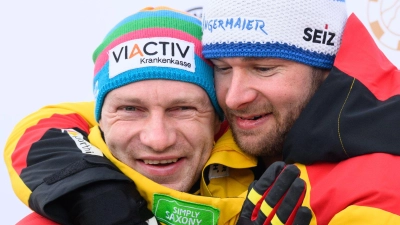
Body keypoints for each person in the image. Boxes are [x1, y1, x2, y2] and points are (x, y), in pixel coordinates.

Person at [7, 0, 400, 224]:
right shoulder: (235, 124)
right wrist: (74, 181)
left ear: (327, 69)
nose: (234, 96)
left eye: (263, 68)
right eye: (223, 69)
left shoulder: (380, 177)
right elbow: (68, 118)